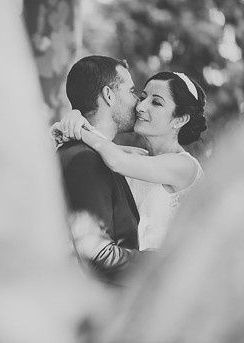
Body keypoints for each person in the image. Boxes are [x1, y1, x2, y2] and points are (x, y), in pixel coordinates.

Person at [55, 71, 207, 250]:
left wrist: (79, 128)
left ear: (180, 119)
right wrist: (74, 117)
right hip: (124, 267)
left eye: (156, 102)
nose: (141, 106)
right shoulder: (134, 156)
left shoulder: (185, 167)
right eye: (142, 97)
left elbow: (116, 160)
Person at [57, 55, 147, 284]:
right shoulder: (84, 159)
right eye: (131, 91)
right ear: (109, 95)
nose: (138, 102)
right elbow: (96, 253)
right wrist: (160, 265)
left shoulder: (96, 154)